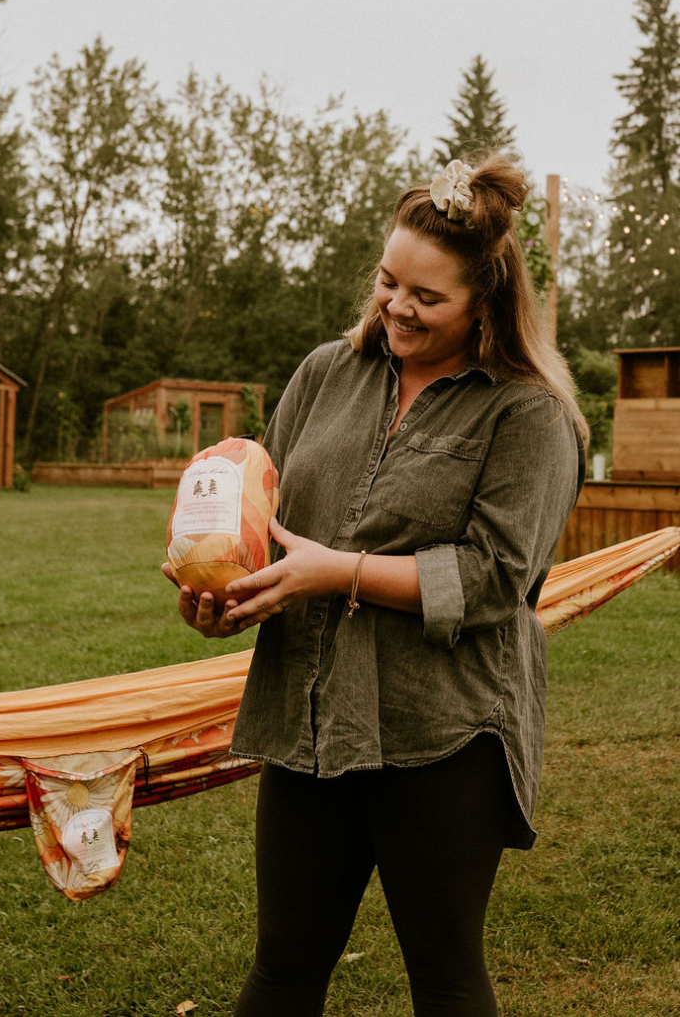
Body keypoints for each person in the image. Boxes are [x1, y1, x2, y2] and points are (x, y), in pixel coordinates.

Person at [164, 155, 587, 1017]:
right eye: (390, 282)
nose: (397, 306)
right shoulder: (327, 372)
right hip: (310, 713)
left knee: (442, 971)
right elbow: (264, 517)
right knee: (284, 964)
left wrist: (338, 573)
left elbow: (495, 578)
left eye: (428, 298)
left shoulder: (529, 415)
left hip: (444, 730)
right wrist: (225, 599)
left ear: (486, 306)